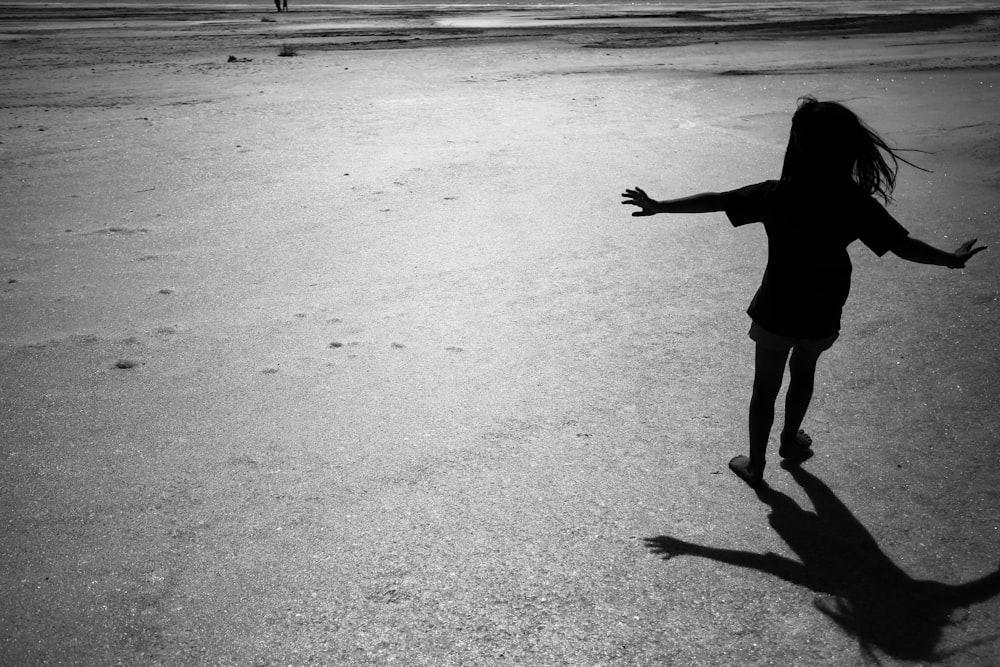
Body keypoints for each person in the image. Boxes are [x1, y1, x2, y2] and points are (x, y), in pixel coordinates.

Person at [621, 96, 986, 488]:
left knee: (764, 389)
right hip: (823, 305)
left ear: (798, 146)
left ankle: (756, 464)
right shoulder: (853, 202)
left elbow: (718, 200)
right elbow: (902, 244)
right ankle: (791, 441)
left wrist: (660, 206)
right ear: (847, 148)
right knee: (804, 371)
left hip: (777, 306)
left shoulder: (776, 194)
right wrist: (950, 259)